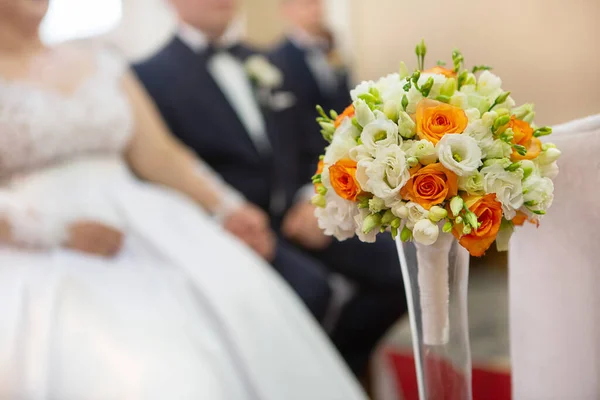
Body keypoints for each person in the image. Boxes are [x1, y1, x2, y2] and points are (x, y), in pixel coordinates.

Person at [0, 0, 369, 398]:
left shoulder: (98, 60)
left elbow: (159, 154)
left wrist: (228, 206)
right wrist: (54, 231)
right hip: (36, 240)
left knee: (245, 305)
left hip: (143, 221)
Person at [134, 0, 411, 378]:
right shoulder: (148, 76)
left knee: (398, 269)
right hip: (227, 229)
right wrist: (224, 218)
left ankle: (338, 369)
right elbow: (164, 172)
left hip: (296, 213)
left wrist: (310, 200)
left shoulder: (271, 61)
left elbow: (312, 143)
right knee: (310, 290)